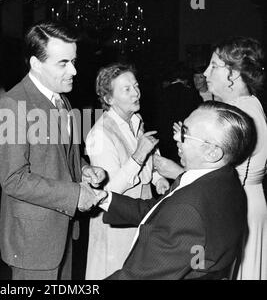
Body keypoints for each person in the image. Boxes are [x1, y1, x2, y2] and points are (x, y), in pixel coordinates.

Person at [0, 22, 107, 280]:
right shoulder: (13, 105)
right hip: (34, 242)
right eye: (63, 63)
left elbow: (65, 156)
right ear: (36, 63)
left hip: (63, 231)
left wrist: (85, 169)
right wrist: (75, 194)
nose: (74, 70)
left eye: (74, 61)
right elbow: (14, 180)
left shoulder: (62, 99)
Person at [98, 101, 255, 279]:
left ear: (212, 152)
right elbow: (162, 212)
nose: (176, 138)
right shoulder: (225, 179)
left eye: (185, 134)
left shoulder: (187, 208)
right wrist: (104, 198)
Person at [85, 63, 169, 280]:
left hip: (141, 215)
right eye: (127, 89)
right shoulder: (99, 134)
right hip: (116, 224)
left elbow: (151, 154)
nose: (136, 92)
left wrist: (158, 178)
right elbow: (108, 190)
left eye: (136, 85)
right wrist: (138, 156)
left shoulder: (136, 121)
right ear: (109, 99)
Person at [203, 36, 267, 280]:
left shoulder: (240, 113)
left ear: (235, 73)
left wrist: (172, 169)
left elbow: (217, 172)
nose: (206, 72)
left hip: (239, 205)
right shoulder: (249, 104)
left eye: (214, 66)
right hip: (247, 201)